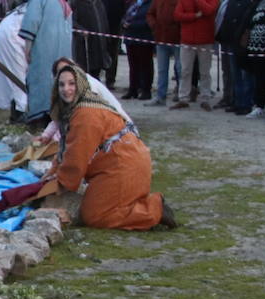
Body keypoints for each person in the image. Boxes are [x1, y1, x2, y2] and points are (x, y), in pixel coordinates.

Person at [43, 60, 172, 231]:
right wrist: (53, 172)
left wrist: (61, 182)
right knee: (96, 208)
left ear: (81, 83)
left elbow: (76, 155)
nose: (66, 89)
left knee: (96, 215)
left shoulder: (86, 113)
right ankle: (139, 205)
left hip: (124, 165)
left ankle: (154, 209)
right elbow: (68, 148)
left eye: (71, 83)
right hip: (120, 162)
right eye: (61, 84)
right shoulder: (79, 108)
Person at [17, 0, 73, 123]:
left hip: (43, 49)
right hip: (62, 53)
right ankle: (58, 114)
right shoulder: (63, 2)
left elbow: (31, 23)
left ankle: (38, 115)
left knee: (39, 79)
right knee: (59, 80)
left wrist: (27, 49)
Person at [214, 0, 261, 114]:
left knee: (247, 75)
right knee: (235, 75)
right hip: (230, 41)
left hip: (246, 43)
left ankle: (247, 103)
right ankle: (237, 102)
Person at [173, 0, 219, 110]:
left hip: (205, 39)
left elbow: (209, 11)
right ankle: (183, 98)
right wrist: (194, 16)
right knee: (185, 70)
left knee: (205, 71)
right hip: (187, 40)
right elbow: (178, 15)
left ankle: (205, 97)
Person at [146, 0, 185, 106]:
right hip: (161, 37)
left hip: (178, 39)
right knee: (162, 70)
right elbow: (150, 13)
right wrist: (154, 25)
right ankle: (160, 96)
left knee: (181, 70)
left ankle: (181, 96)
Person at [93, 0, 130, 89]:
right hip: (97, 24)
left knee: (113, 53)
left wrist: (123, 19)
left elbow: (126, 4)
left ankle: (110, 79)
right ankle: (95, 78)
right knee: (97, 51)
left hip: (114, 23)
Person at [120, 0, 155, 100]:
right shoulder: (134, 3)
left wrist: (132, 24)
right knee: (133, 66)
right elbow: (126, 15)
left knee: (145, 66)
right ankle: (133, 89)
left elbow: (149, 20)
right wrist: (124, 22)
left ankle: (146, 90)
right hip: (131, 39)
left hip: (144, 38)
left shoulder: (152, 3)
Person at [71, 0, 112, 80]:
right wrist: (81, 30)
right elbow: (72, 21)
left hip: (99, 38)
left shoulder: (97, 1)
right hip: (85, 40)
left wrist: (106, 34)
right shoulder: (76, 2)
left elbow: (103, 18)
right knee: (86, 63)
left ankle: (96, 80)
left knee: (99, 62)